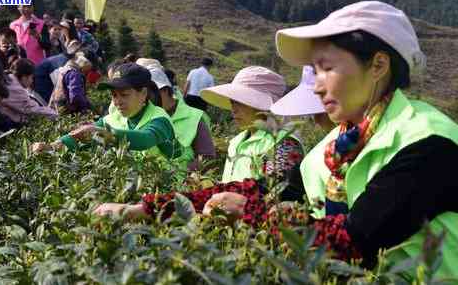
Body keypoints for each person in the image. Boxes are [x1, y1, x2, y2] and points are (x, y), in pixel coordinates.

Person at [273, 1, 458, 277]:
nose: (317, 87)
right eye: (315, 71)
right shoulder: (330, 150)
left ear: (378, 66)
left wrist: (254, 217)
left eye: (327, 68)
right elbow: (278, 194)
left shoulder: (429, 141)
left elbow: (356, 241)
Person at [92, 66, 307, 221]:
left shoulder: (284, 145)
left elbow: (264, 194)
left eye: (240, 102)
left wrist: (151, 208)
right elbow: (226, 190)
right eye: (232, 101)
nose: (233, 108)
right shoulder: (237, 141)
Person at [32, 63, 181, 162]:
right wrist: (52, 146)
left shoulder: (159, 119)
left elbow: (146, 139)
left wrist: (108, 135)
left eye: (124, 95)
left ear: (143, 93)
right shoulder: (113, 117)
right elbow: (84, 135)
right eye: (114, 95)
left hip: (166, 190)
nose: (117, 101)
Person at [146, 65, 216, 171]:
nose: (148, 101)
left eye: (150, 96)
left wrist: (180, 171)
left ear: (164, 90)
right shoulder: (145, 117)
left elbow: (207, 157)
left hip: (182, 184)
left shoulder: (193, 117)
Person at [0, 58, 57, 124]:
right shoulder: (14, 88)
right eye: (31, 77)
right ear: (24, 77)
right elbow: (30, 109)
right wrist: (54, 113)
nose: (32, 81)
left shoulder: (11, 81)